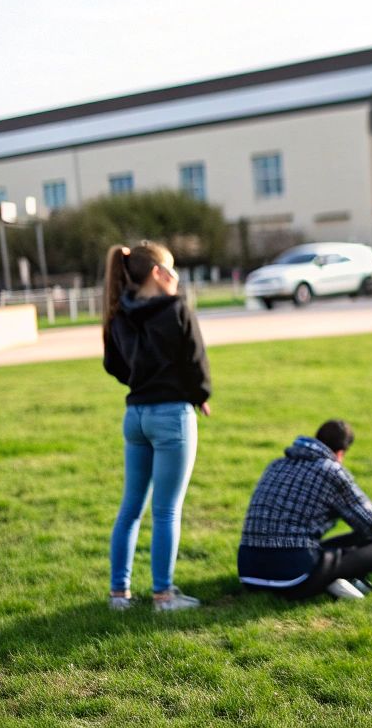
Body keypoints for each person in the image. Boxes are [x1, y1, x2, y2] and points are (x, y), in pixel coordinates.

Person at [103, 241, 209, 613]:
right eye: (173, 269)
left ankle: (119, 595)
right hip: (171, 416)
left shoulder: (118, 313)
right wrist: (200, 395)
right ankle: (164, 596)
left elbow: (113, 364)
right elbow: (196, 359)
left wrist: (141, 379)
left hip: (135, 416)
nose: (176, 276)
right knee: (165, 510)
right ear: (158, 273)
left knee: (130, 508)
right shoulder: (176, 308)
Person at [237, 419, 372, 600]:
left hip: (249, 573)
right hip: (295, 577)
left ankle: (330, 576)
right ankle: (328, 579)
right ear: (340, 453)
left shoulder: (276, 465)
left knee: (336, 543)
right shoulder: (331, 471)